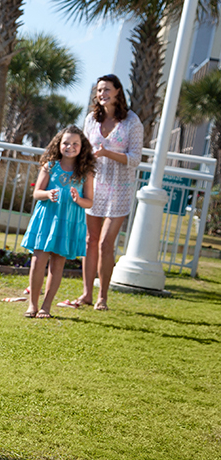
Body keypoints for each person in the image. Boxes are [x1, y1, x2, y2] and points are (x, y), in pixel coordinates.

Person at [59, 74, 143, 311]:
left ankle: (102, 297)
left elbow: (135, 159)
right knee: (90, 241)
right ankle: (86, 294)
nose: (102, 94)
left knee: (106, 243)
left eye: (106, 89)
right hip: (94, 186)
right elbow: (82, 150)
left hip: (120, 189)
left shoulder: (132, 122)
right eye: (98, 90)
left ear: (118, 91)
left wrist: (107, 153)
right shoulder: (91, 119)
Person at [20, 126, 96, 318]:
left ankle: (46, 306)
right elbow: (37, 192)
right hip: (46, 218)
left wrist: (78, 199)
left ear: (82, 147)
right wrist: (48, 194)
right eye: (66, 143)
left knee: (57, 264)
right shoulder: (50, 166)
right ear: (59, 144)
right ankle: (33, 305)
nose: (70, 147)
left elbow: (89, 201)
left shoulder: (85, 172)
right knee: (38, 261)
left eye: (75, 144)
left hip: (68, 222)